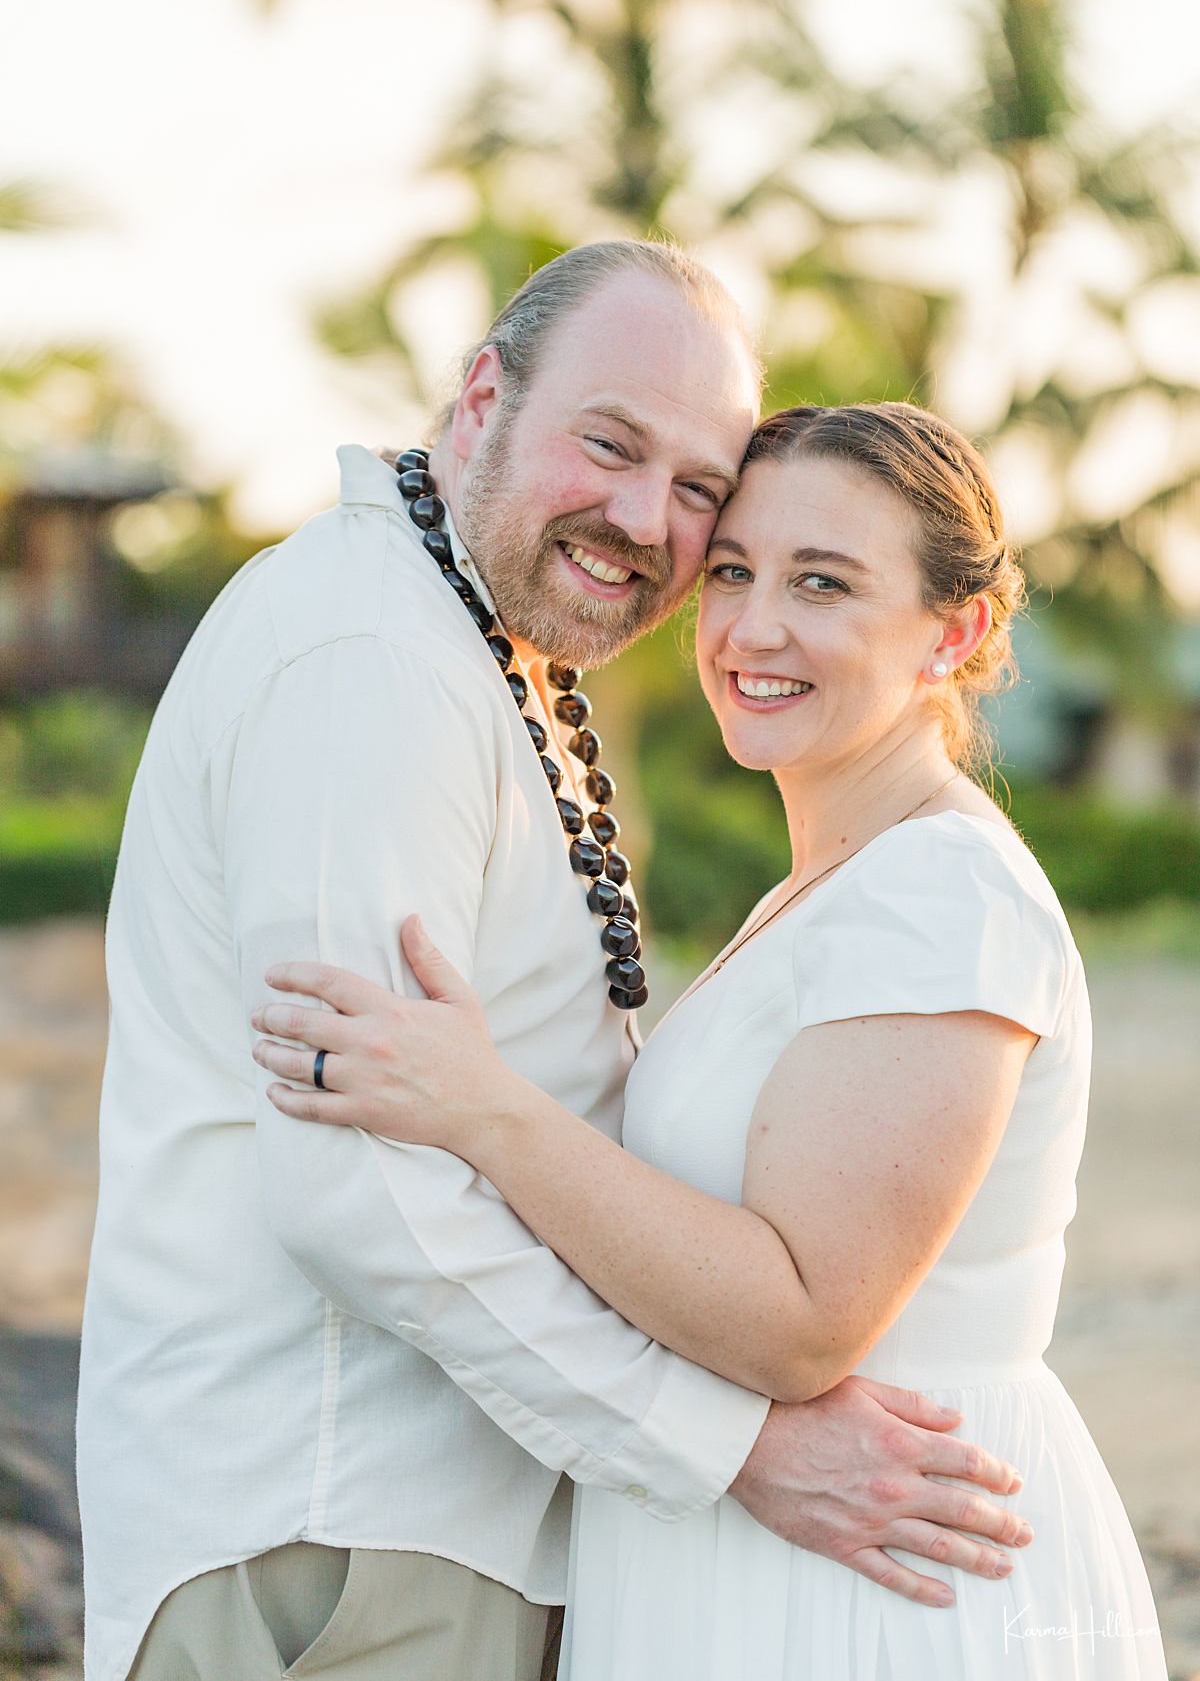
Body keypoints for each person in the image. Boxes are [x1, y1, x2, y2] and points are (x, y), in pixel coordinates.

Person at [78, 245, 1030, 1681]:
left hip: (432, 1527)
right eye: (609, 442)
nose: (648, 518)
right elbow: (358, 1187)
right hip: (340, 1531)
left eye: (700, 486)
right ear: (481, 399)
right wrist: (726, 1446)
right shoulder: (371, 658)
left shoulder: (475, 649)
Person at [255, 400, 1168, 1680]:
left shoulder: (937, 898)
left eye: (825, 583)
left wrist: (482, 1106)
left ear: (952, 632)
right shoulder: (834, 882)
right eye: (733, 569)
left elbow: (801, 1321)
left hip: (875, 1573)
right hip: (779, 1544)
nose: (754, 626)